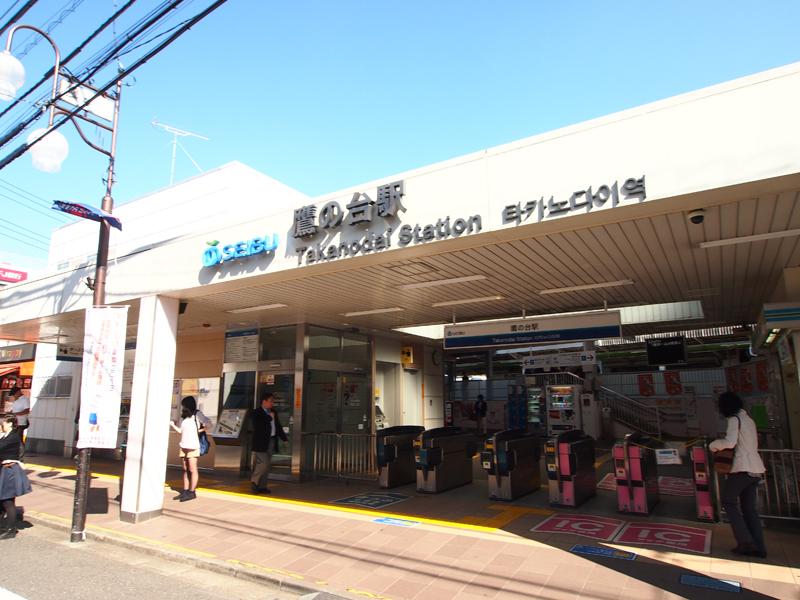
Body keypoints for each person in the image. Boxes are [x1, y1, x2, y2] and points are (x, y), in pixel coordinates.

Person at [709, 391, 767, 559]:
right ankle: (759, 547)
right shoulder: (749, 420)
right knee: (749, 509)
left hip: (741, 468)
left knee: (728, 501)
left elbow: (730, 442)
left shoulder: (734, 420)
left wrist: (713, 445)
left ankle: (746, 542)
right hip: (755, 469)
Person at [169, 396, 211, 502]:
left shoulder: (197, 414)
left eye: (184, 405)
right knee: (185, 469)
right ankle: (185, 490)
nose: (183, 407)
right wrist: (173, 425)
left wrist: (200, 430)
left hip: (193, 446)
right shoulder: (185, 416)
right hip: (183, 446)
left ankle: (192, 492)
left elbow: (209, 423)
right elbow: (181, 431)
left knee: (192, 469)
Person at [0, 414, 31, 540]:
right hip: (5, 470)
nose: (2, 425)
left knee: (8, 501)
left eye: (3, 422)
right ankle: (6, 525)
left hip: (10, 471)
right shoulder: (6, 436)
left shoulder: (13, 436)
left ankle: (11, 530)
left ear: (10, 423)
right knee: (3, 500)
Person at [250, 393, 287, 494]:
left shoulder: (273, 412)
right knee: (264, 462)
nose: (272, 403)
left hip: (271, 441)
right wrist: (269, 418)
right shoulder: (256, 412)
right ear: (264, 402)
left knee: (267, 465)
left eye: (273, 401)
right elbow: (258, 426)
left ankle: (262, 486)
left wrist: (284, 438)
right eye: (271, 401)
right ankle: (254, 481)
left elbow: (278, 426)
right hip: (260, 442)